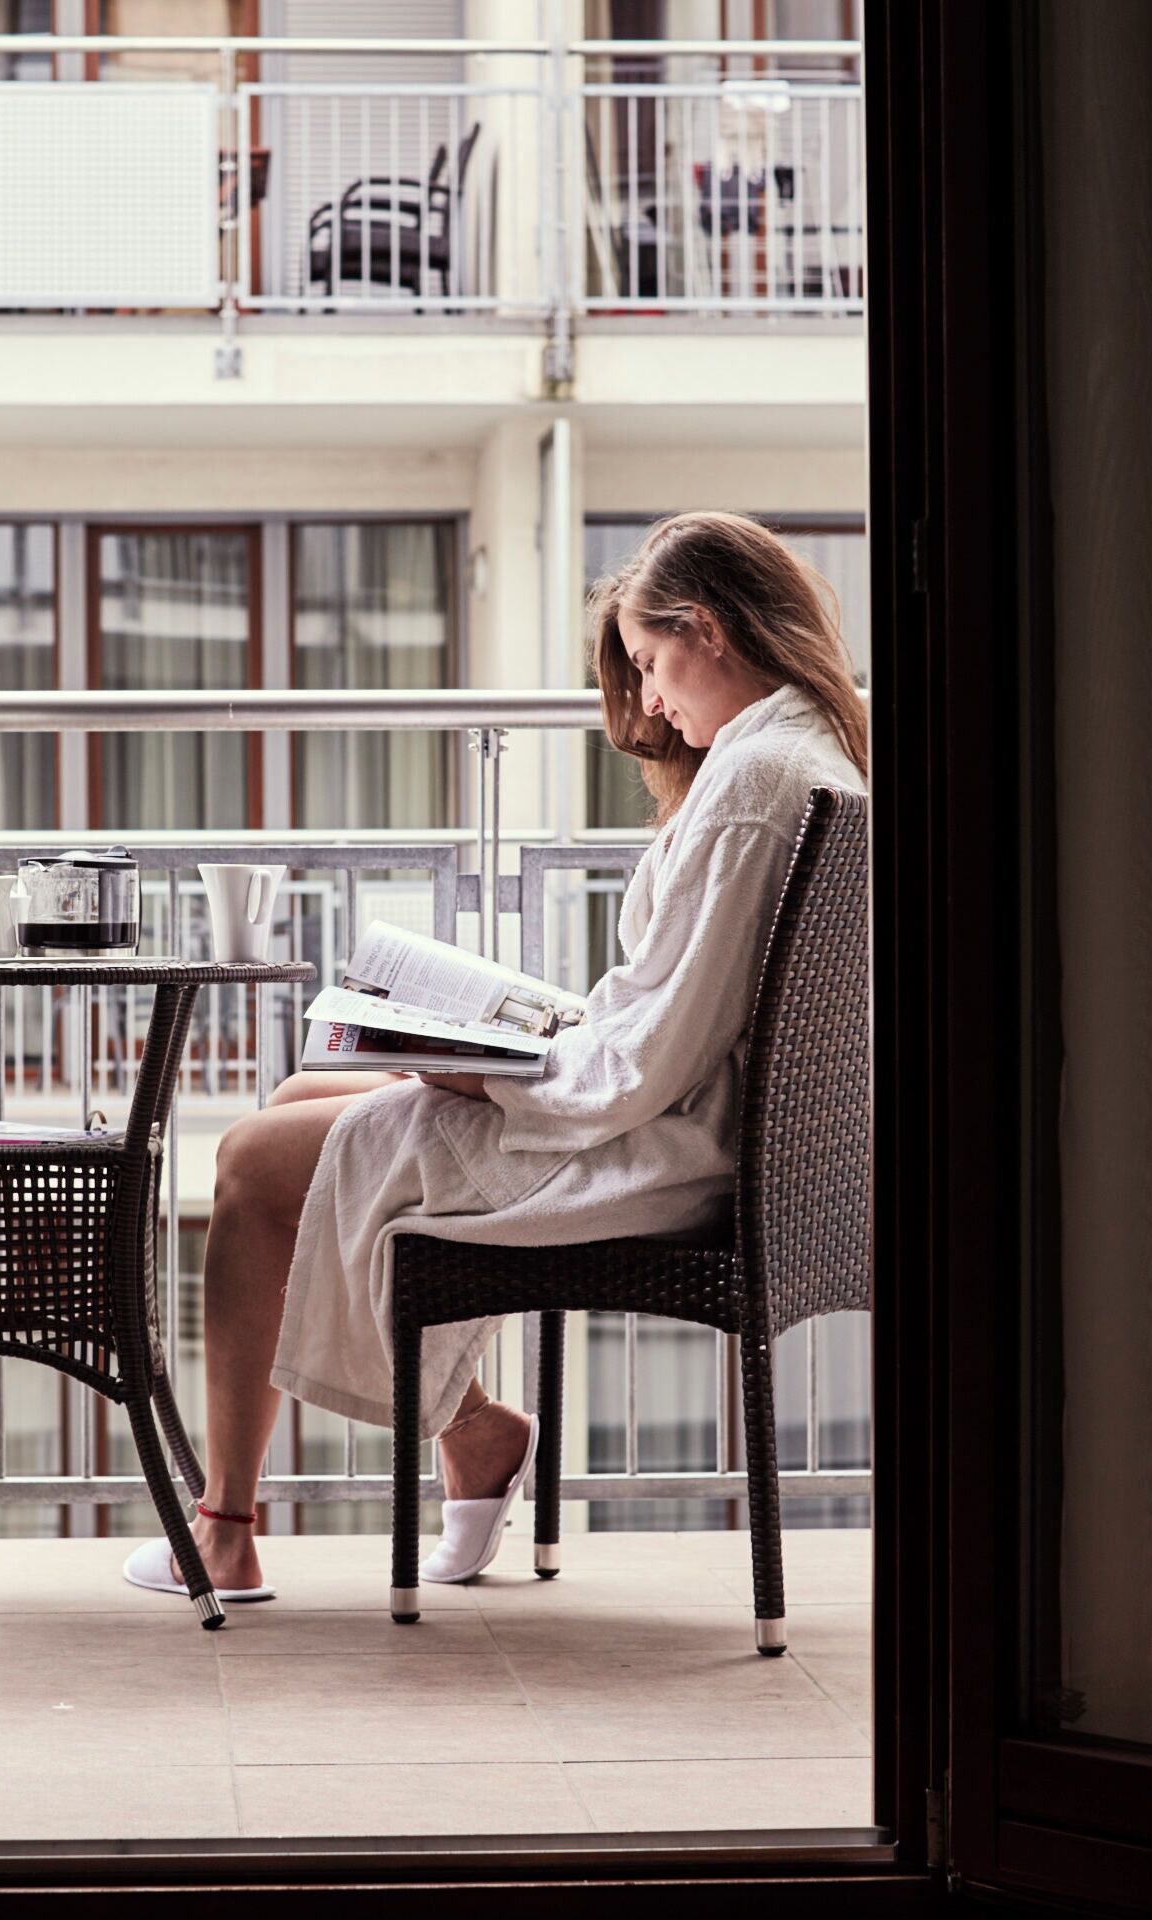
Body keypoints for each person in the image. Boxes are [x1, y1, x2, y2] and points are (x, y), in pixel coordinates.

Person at [124, 511, 873, 1604]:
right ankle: (471, 1433)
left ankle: (224, 1529)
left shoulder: (755, 789)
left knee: (248, 1160)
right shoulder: (800, 751)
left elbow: (657, 1059)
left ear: (706, 629)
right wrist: (516, 1043)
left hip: (656, 1147)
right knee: (301, 1095)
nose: (653, 702)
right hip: (676, 1117)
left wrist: (491, 1072)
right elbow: (680, 1023)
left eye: (655, 665)